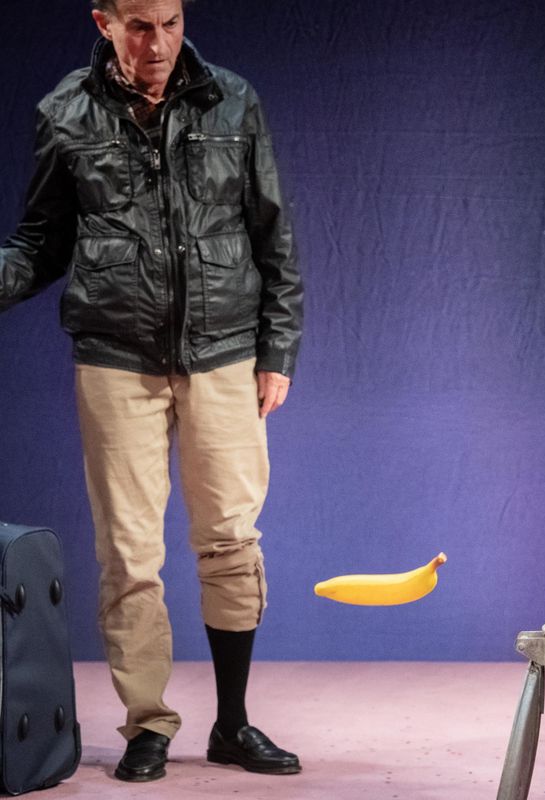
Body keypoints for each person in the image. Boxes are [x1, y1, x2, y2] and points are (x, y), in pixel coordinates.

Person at [0, 0, 303, 783]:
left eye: (170, 21)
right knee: (129, 554)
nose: (159, 42)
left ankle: (233, 723)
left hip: (223, 351)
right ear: (102, 22)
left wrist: (278, 349)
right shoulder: (66, 111)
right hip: (115, 356)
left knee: (230, 539)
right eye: (139, 25)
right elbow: (40, 242)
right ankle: (147, 724)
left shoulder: (231, 99)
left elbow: (273, 234)